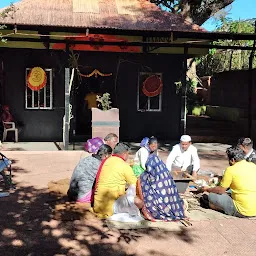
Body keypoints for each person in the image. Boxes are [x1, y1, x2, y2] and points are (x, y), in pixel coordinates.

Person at [200, 146, 256, 217]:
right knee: (229, 191)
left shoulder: (230, 170)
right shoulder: (253, 165)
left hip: (243, 211)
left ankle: (214, 206)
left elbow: (220, 191)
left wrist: (207, 189)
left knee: (211, 196)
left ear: (232, 160)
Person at [93, 142, 142, 218]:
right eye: (128, 154)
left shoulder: (106, 161)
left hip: (98, 205)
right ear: (125, 153)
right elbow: (135, 184)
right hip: (111, 208)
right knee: (139, 202)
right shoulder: (124, 165)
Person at [137, 154, 186, 221]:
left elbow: (141, 193)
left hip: (153, 209)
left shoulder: (144, 176)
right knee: (181, 203)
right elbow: (174, 193)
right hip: (172, 207)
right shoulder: (166, 175)